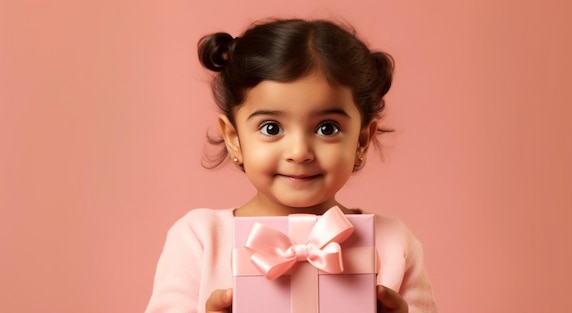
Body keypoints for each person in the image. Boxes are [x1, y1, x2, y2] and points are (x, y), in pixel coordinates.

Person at [145, 18, 438, 313]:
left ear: (362, 140)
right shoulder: (199, 239)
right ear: (234, 138)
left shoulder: (392, 242)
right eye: (271, 128)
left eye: (327, 128)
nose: (299, 153)